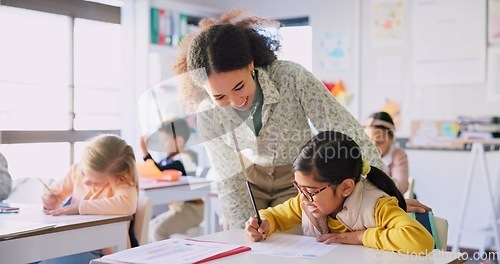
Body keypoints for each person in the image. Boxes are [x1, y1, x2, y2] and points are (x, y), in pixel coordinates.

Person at [173, 9, 429, 229]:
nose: (234, 101)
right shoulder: (209, 113)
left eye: (239, 87)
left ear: (251, 65)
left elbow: (345, 130)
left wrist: (389, 195)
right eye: (220, 96)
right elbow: (230, 181)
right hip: (249, 185)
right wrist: (246, 231)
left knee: (300, 246)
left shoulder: (291, 78)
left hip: (300, 181)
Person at [245, 131, 434, 254]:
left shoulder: (377, 205)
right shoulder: (306, 201)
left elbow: (421, 241)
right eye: (299, 187)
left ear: (346, 187)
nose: (303, 196)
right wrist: (262, 223)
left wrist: (360, 237)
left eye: (311, 191)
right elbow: (274, 216)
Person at [41, 134, 138, 263]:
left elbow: (128, 205)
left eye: (96, 182)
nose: (86, 182)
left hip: (103, 254)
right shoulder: (76, 171)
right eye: (83, 173)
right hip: (74, 243)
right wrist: (49, 199)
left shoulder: (121, 182)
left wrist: (79, 207)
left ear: (119, 176)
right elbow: (56, 194)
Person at [140, 118, 203, 242]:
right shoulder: (169, 158)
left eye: (164, 140)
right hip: (178, 209)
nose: (161, 145)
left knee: (158, 231)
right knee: (149, 226)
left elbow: (159, 171)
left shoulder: (184, 159)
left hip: (192, 211)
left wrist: (144, 150)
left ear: (178, 141)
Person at [362, 111, 409, 194]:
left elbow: (400, 186)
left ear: (391, 139)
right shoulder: (358, 153)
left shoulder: (398, 155)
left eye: (379, 142)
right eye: (368, 141)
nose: (373, 147)